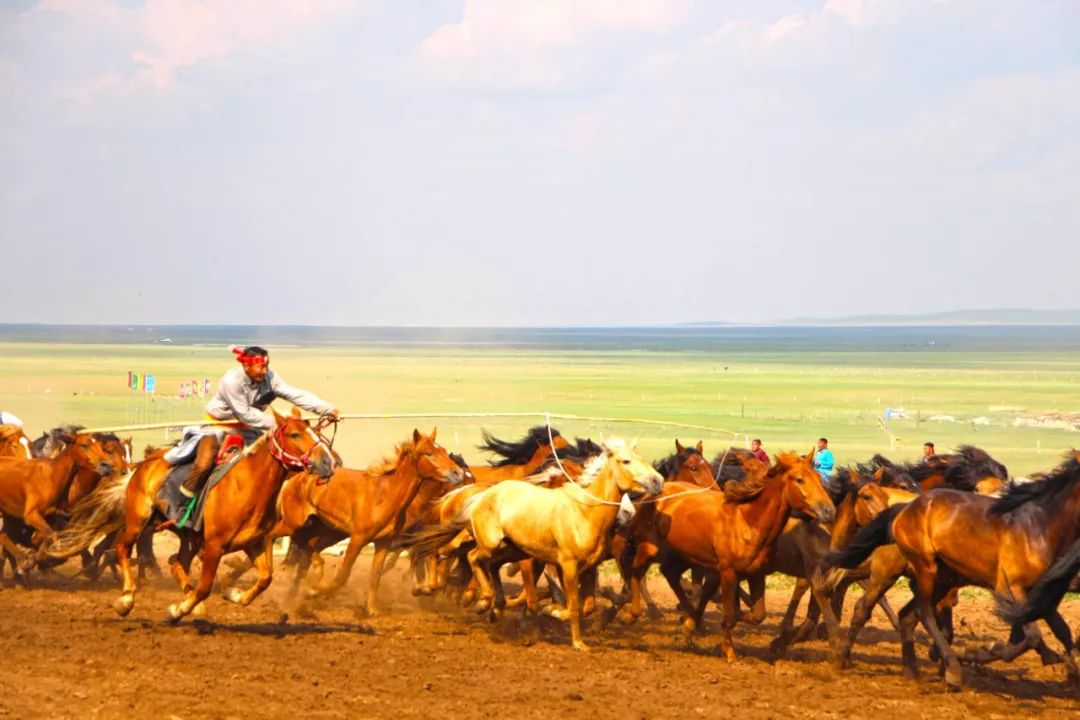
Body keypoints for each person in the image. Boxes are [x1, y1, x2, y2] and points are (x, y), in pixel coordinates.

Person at [179, 346, 339, 507]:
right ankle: (182, 506)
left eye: (266, 366)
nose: (265, 371)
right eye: (261, 367)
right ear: (246, 366)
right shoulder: (231, 382)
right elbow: (245, 414)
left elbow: (294, 393)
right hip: (218, 427)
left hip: (249, 430)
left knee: (275, 461)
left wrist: (326, 409)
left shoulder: (270, 377)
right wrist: (280, 422)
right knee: (204, 463)